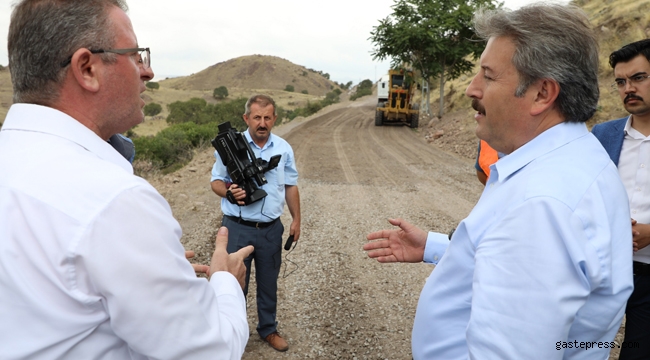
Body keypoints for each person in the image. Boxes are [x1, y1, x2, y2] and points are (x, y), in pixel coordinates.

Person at [363, 4, 633, 359]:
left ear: (541, 93)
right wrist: (436, 247)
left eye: (488, 77)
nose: (473, 89)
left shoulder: (541, 205)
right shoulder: (574, 161)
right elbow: (524, 269)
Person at [0, 1, 253, 359]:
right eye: (136, 55)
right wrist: (226, 281)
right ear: (87, 69)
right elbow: (210, 352)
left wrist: (143, 269)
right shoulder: (114, 200)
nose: (147, 72)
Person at [210, 94, 301, 352]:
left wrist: (296, 220)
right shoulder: (230, 146)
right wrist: (228, 191)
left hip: (271, 229)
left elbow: (291, 186)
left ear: (274, 119)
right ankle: (229, 335)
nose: (262, 123)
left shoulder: (283, 148)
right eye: (257, 117)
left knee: (268, 282)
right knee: (232, 284)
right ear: (246, 118)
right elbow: (215, 181)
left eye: (267, 117)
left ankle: (268, 329)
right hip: (237, 227)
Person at [592, 39, 650, 360]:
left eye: (639, 78)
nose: (628, 88)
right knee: (578, 350)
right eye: (621, 82)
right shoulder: (602, 135)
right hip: (602, 275)